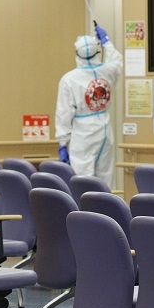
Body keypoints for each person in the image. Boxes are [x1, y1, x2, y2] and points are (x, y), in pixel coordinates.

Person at [55, 24, 123, 188]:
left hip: (83, 135)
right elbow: (117, 61)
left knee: (83, 184)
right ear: (96, 52)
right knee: (106, 182)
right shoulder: (108, 71)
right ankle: (108, 213)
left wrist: (62, 143)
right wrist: (106, 42)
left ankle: (85, 214)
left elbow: (64, 114)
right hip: (105, 131)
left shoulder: (69, 79)